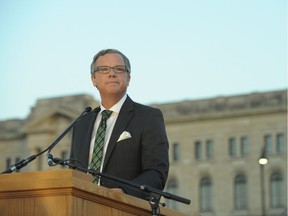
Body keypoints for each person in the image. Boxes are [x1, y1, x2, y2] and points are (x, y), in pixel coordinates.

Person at [70, 49, 169, 200]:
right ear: (93, 79)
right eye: (103, 69)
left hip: (123, 208)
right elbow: (74, 172)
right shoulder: (81, 123)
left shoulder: (148, 117)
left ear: (128, 78)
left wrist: (124, 193)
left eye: (119, 69)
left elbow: (156, 172)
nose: (112, 73)